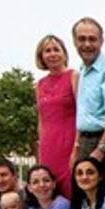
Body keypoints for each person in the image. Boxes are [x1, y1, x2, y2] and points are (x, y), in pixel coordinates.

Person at [72, 17, 105, 187]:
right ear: (74, 41)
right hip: (86, 142)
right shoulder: (83, 71)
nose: (87, 44)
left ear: (101, 41)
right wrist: (78, 147)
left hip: (103, 142)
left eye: (92, 39)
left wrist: (101, 149)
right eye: (82, 39)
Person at [35, 34, 78, 198]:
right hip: (48, 146)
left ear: (64, 53)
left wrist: (77, 146)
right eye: (47, 51)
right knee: (49, 190)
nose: (52, 54)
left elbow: (81, 112)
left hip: (68, 142)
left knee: (70, 188)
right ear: (41, 57)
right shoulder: (39, 85)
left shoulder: (74, 76)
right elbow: (41, 119)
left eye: (56, 49)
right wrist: (40, 150)